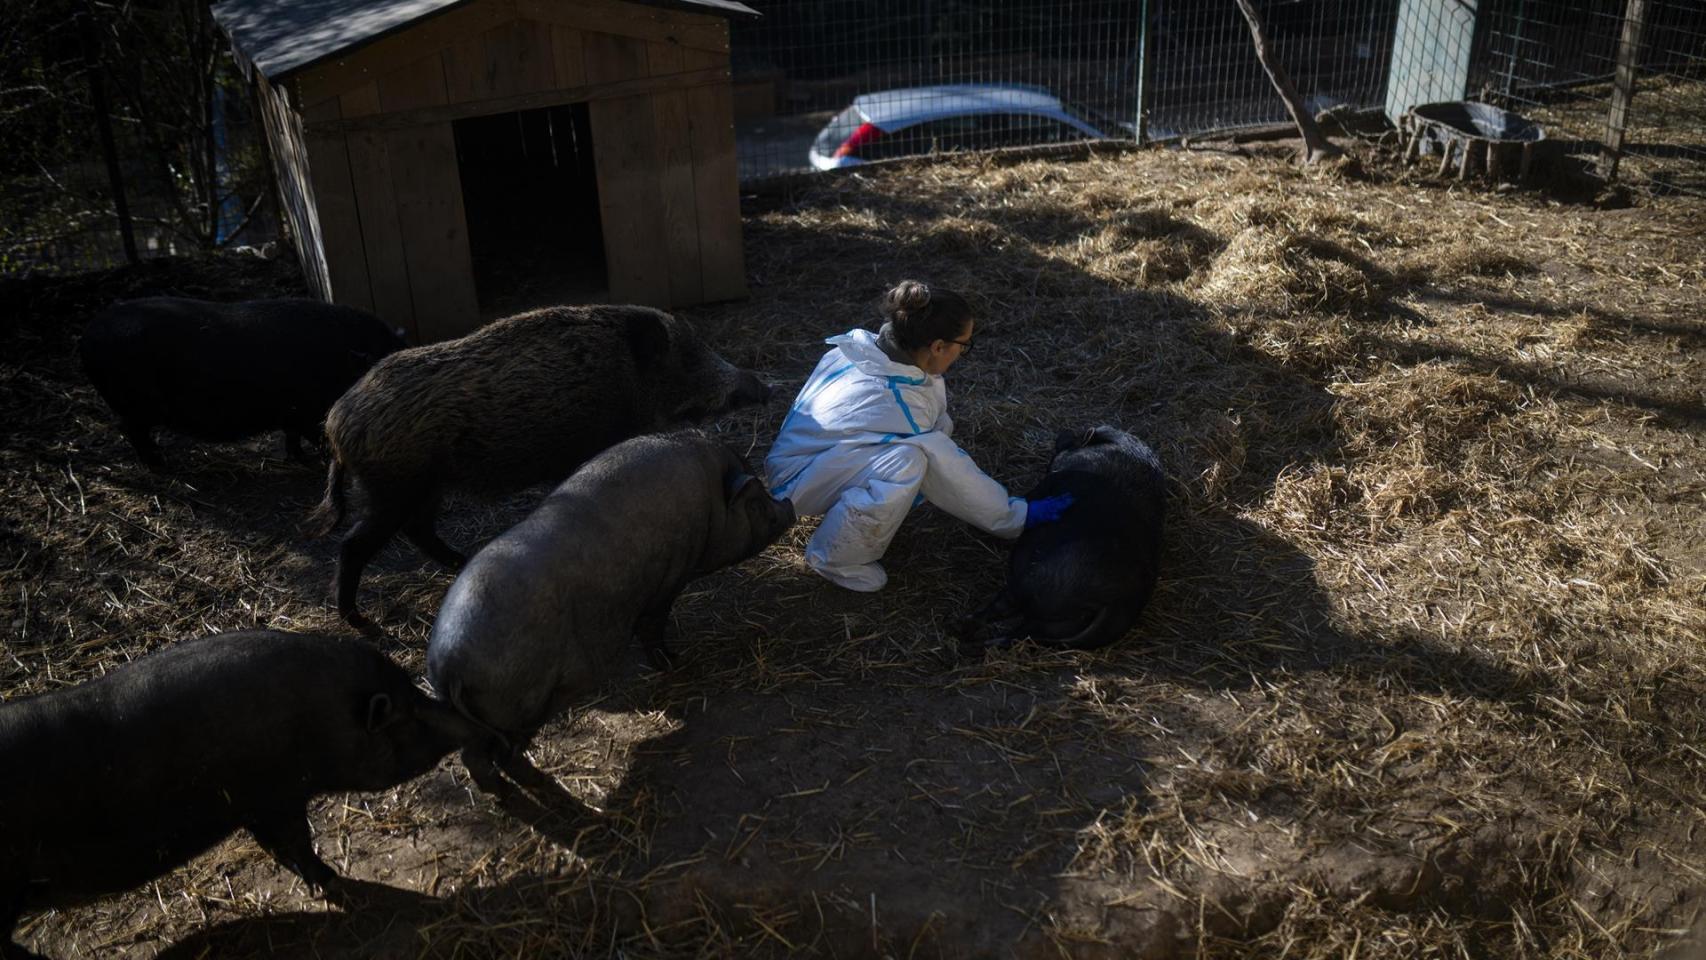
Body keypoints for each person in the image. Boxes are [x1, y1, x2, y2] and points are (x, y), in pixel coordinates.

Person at [765, 280, 1074, 592]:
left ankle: (863, 509)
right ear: (938, 346)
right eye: (963, 345)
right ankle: (836, 558)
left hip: (803, 457)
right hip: (796, 483)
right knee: (909, 461)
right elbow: (948, 467)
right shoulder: (896, 398)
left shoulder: (866, 351)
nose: (963, 352)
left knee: (931, 435)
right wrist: (1015, 516)